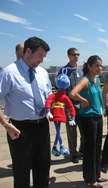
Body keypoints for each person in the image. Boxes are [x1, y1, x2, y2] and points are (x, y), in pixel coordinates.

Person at [0, 37, 51, 188]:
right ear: (28, 51)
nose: (42, 61)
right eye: (40, 56)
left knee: (43, 169)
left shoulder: (42, 73)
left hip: (42, 125)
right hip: (20, 129)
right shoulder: (9, 72)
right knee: (22, 171)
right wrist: (5, 124)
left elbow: (49, 97)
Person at [70, 55, 107, 188]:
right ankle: (91, 180)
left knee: (97, 147)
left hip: (97, 116)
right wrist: (84, 101)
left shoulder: (96, 79)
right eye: (96, 65)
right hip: (88, 118)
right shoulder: (85, 80)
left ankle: (96, 175)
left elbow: (98, 95)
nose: (99, 68)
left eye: (100, 65)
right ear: (89, 66)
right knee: (90, 149)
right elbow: (73, 93)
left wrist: (103, 109)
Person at [58, 47, 84, 163]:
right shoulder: (63, 71)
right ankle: (74, 154)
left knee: (84, 128)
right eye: (74, 54)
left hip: (81, 102)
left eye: (78, 54)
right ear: (69, 56)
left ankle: (82, 150)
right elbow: (59, 88)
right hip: (69, 105)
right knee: (72, 130)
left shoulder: (81, 70)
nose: (76, 56)